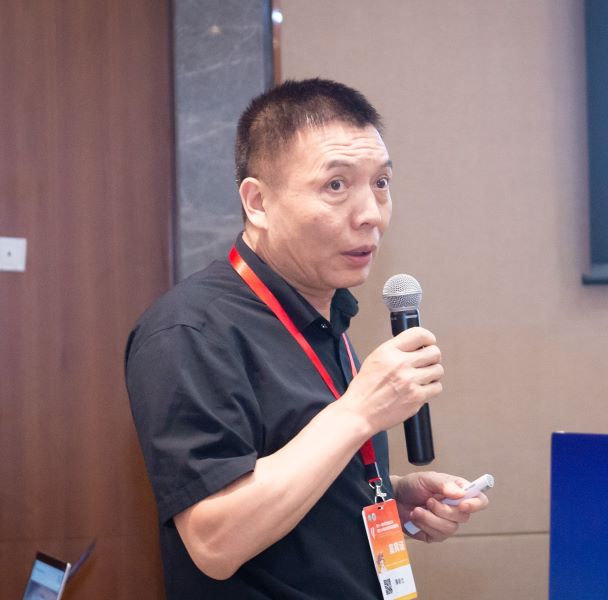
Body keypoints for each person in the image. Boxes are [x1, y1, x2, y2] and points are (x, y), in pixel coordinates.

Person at [125, 78, 489, 599]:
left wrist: (387, 494)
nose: (370, 214)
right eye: (336, 185)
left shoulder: (324, 313)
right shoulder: (189, 330)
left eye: (381, 183)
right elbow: (214, 541)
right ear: (258, 202)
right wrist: (358, 412)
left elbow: (291, 469)